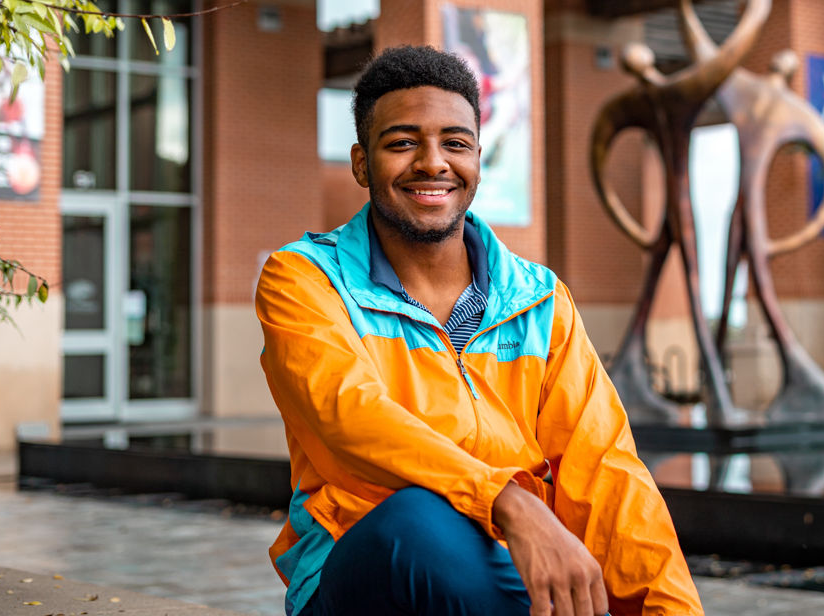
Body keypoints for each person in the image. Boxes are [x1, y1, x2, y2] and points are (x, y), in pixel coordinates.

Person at [256, 45, 704, 616]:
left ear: (477, 159)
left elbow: (607, 471)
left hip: (505, 576)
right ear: (362, 163)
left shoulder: (539, 301)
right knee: (414, 523)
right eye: (401, 143)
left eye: (455, 143)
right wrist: (509, 504)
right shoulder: (304, 280)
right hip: (362, 575)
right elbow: (352, 418)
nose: (433, 163)